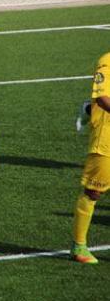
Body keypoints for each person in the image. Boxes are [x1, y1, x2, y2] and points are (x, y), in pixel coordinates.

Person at [71, 51, 110, 264]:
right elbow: (102, 99)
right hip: (106, 140)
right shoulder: (107, 62)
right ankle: (79, 245)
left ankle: (87, 110)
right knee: (93, 191)